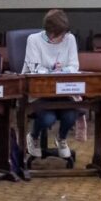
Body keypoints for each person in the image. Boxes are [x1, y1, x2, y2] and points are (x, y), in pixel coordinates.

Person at [22, 9, 79, 159]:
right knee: (48, 118)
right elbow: (35, 69)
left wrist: (63, 70)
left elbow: (74, 66)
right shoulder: (33, 40)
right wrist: (53, 70)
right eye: (60, 35)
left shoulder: (70, 39)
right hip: (40, 93)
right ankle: (33, 137)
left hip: (63, 92)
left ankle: (61, 138)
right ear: (51, 33)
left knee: (71, 115)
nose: (64, 37)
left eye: (65, 34)